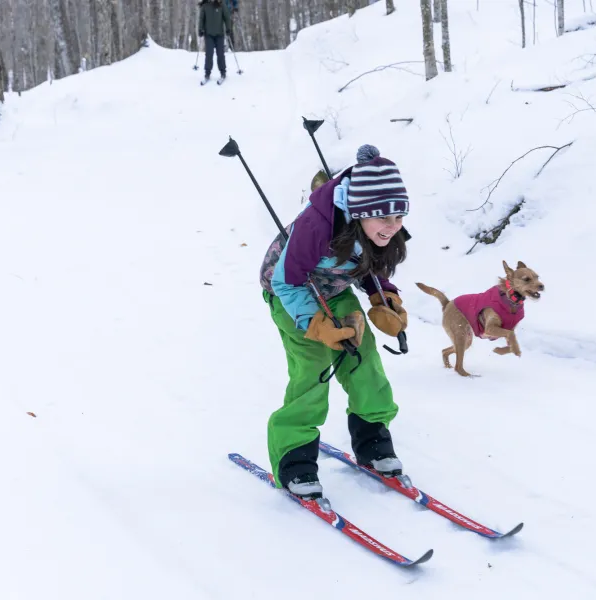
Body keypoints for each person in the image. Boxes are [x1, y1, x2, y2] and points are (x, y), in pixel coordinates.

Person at [258, 144, 411, 499]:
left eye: (399, 217)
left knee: (364, 358)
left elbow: (373, 267)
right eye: (384, 219)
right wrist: (317, 325)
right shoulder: (316, 225)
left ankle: (373, 441)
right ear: (359, 212)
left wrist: (383, 298)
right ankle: (293, 459)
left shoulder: (380, 223)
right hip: (290, 291)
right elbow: (286, 281)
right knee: (313, 366)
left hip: (333, 287)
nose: (392, 227)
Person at [198, 0, 231, 82]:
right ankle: (207, 73)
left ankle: (223, 72)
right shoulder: (205, 6)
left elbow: (226, 17)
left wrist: (228, 28)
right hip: (208, 34)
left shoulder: (221, 5)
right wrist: (200, 29)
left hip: (219, 34)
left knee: (220, 54)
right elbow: (201, 18)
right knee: (209, 54)